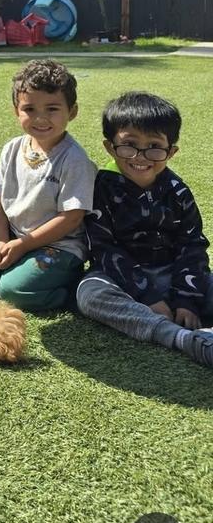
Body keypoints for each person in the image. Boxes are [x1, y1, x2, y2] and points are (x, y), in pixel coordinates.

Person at [77, 92, 213, 366]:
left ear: (171, 151)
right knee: (89, 295)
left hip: (173, 273)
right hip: (119, 279)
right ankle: (180, 337)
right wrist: (147, 296)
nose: (140, 157)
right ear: (109, 146)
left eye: (154, 146)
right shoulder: (99, 187)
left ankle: (197, 325)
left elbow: (193, 246)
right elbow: (103, 248)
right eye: (129, 145)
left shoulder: (178, 192)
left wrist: (186, 300)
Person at [0, 59, 97, 311]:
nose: (40, 118)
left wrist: (23, 246)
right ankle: (15, 265)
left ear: (72, 112)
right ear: (16, 110)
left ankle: (71, 290)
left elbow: (72, 218)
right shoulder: (12, 148)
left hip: (58, 245)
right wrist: (0, 240)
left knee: (12, 291)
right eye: (29, 109)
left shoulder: (74, 160)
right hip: (12, 233)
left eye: (52, 109)